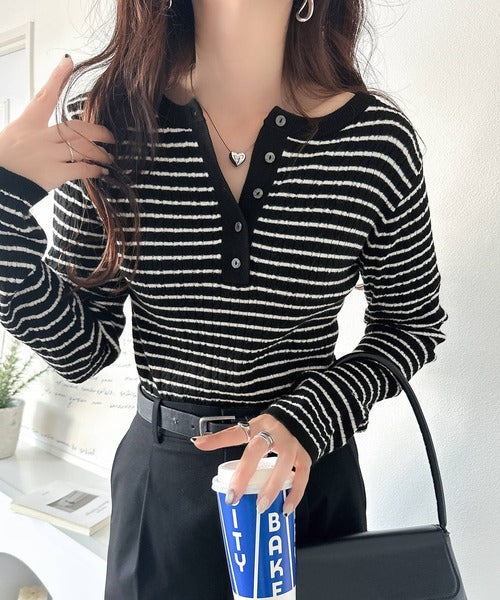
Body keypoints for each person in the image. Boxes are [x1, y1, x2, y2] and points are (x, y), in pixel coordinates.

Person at [0, 0, 449, 598]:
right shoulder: (113, 122)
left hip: (308, 478)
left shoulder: (377, 141)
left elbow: (411, 326)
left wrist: (310, 416)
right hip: (164, 491)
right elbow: (81, 349)